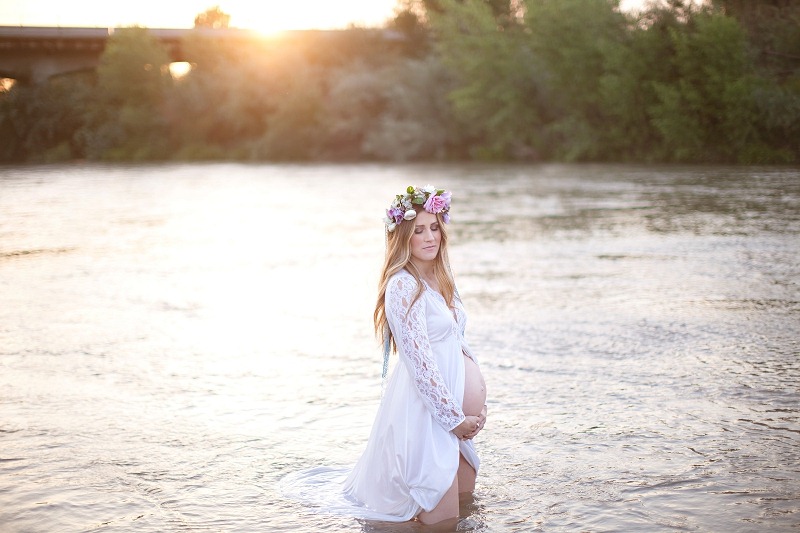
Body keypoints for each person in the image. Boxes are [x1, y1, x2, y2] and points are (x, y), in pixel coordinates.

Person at [342, 184, 488, 526]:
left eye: (434, 227)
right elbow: (420, 364)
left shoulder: (441, 277)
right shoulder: (402, 284)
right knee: (440, 520)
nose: (429, 237)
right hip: (428, 416)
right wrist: (454, 419)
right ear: (403, 237)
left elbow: (459, 345)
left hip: (454, 415)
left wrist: (480, 407)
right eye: (418, 230)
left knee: (465, 510)